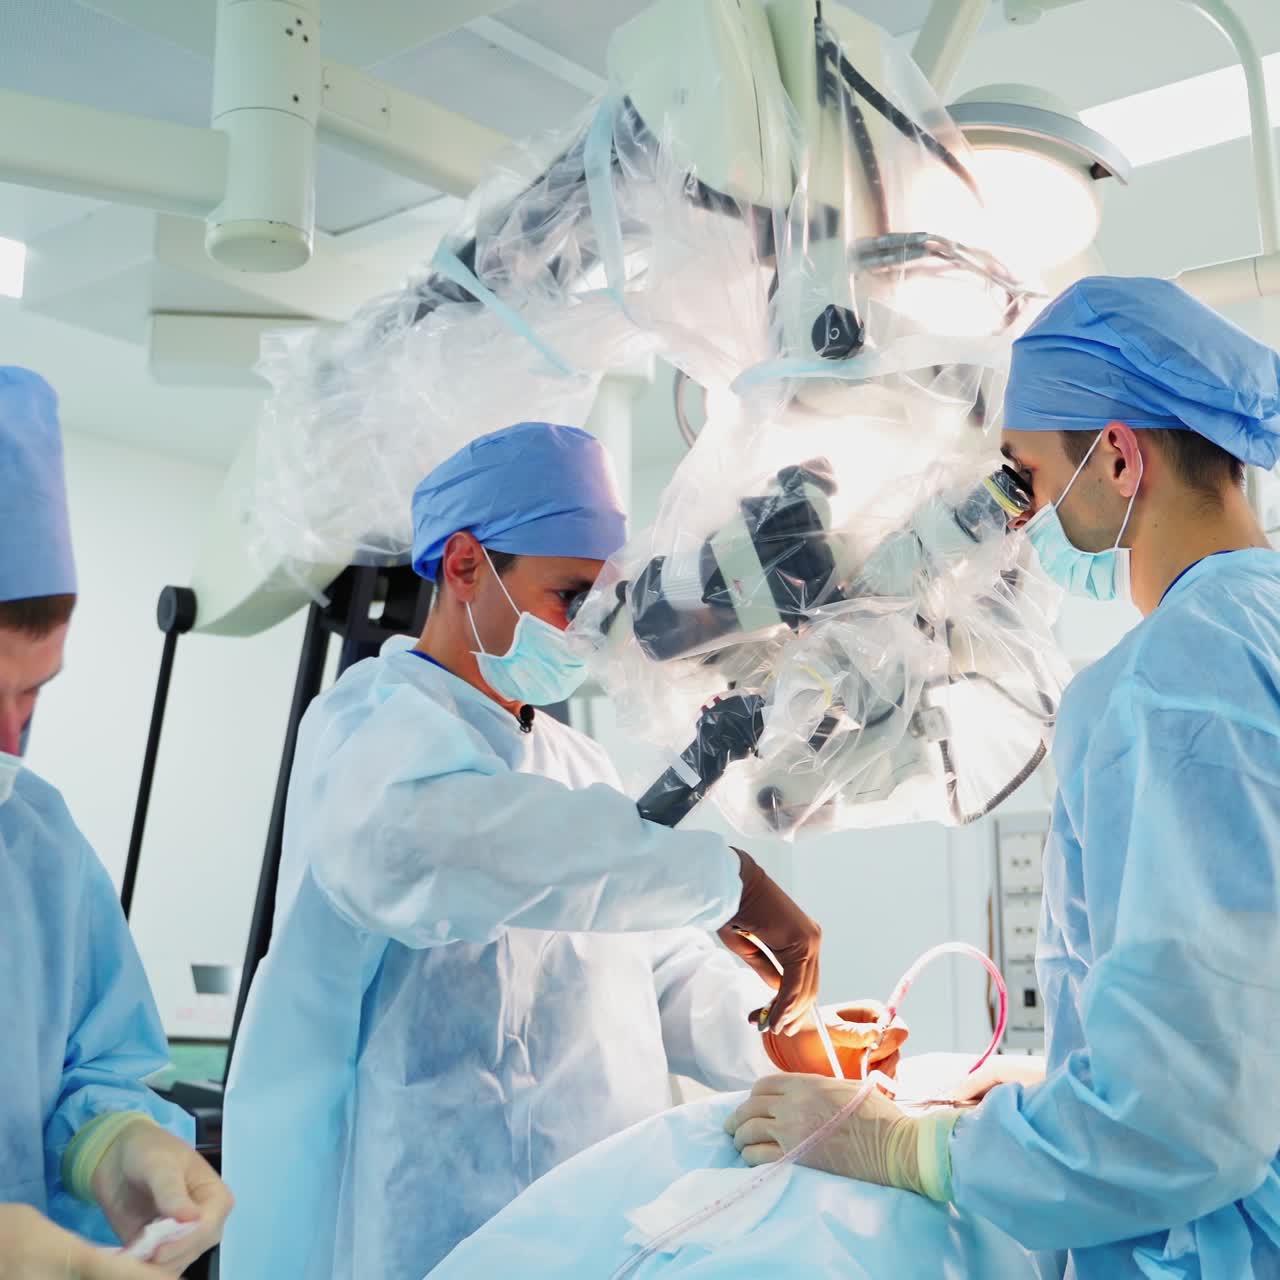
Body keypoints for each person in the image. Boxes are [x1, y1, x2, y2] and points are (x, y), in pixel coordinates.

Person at [727, 276, 1280, 1278]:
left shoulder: (1174, 679)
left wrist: (906, 1145)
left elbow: (1182, 1116)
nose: (1015, 519)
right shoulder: (1254, 632)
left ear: (1116, 455)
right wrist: (1050, 1089)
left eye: (1024, 476)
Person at [221, 421, 821, 1279]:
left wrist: (780, 1038)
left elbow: (646, 966)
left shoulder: (576, 766)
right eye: (568, 597)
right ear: (465, 565)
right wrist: (727, 880)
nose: (583, 633)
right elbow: (431, 850)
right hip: (426, 1233)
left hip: (596, 1230)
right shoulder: (370, 732)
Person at [0, 367, 233, 1276]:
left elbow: (79, 1069)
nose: (12, 736)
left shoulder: (32, 841)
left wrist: (119, 1145)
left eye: (33, 693)